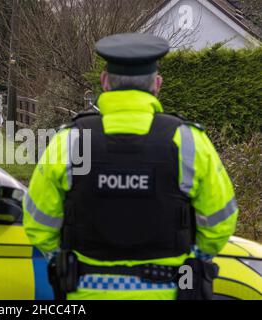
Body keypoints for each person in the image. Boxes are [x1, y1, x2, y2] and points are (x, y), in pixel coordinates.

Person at [23, 33, 238, 300]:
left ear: (104, 83)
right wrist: (196, 259)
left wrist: (60, 258)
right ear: (157, 84)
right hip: (169, 291)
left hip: (85, 291)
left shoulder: (71, 141)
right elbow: (221, 220)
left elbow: (37, 220)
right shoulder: (188, 141)